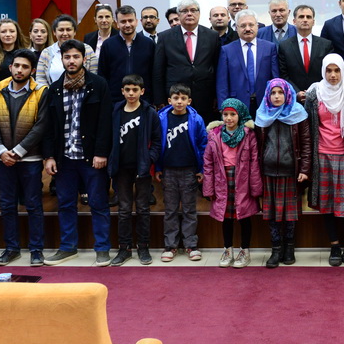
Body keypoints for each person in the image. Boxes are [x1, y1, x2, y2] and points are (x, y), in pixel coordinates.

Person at [41, 39, 113, 266]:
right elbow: (48, 126)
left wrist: (101, 152)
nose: (71, 61)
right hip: (64, 158)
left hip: (91, 157)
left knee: (98, 203)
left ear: (84, 59)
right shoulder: (54, 88)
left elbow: (105, 122)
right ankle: (67, 247)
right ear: (61, 60)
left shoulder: (98, 84)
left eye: (75, 57)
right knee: (65, 204)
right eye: (67, 57)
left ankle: (102, 248)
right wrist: (49, 156)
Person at [305, 54, 344, 266]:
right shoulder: (314, 94)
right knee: (327, 204)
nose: (332, 75)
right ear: (323, 71)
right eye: (329, 70)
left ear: (343, 71)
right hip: (321, 157)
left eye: (337, 70)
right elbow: (308, 129)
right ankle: (334, 245)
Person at [0, 49, 49, 267]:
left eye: (25, 67)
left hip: (29, 158)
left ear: (32, 70)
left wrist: (18, 151)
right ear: (10, 67)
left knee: (33, 205)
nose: (19, 70)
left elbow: (41, 125)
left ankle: (36, 250)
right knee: (7, 205)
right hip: (3, 158)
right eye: (16, 65)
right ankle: (11, 249)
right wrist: (0, 150)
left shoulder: (41, 91)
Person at [254, 79, 312, 268]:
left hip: (291, 172)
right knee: (271, 214)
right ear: (267, 95)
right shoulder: (262, 115)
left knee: (289, 214)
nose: (277, 96)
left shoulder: (298, 113)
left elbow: (306, 143)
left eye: (280, 92)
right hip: (268, 172)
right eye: (273, 93)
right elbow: (257, 147)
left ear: (287, 94)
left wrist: (304, 169)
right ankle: (276, 249)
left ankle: (289, 248)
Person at [108, 74, 162, 266]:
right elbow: (108, 137)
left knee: (143, 208)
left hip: (142, 168)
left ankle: (143, 247)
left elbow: (157, 140)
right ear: (122, 91)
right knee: (123, 209)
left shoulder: (149, 113)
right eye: (128, 90)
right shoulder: (115, 111)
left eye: (135, 90)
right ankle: (124, 248)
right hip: (121, 169)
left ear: (142, 91)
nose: (131, 93)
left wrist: (149, 159)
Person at [203, 98, 262, 268]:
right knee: (226, 217)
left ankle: (245, 251)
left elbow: (254, 161)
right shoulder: (214, 135)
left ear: (240, 115)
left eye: (232, 114)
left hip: (243, 180)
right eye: (225, 114)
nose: (228, 118)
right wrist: (208, 188)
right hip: (222, 180)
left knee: (244, 217)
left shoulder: (248, 134)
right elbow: (208, 163)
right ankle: (228, 249)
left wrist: (255, 187)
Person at [156, 83, 207, 262]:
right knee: (170, 210)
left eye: (183, 98)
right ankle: (170, 246)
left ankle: (190, 245)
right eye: (176, 98)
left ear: (189, 101)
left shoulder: (196, 119)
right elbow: (156, 144)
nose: (179, 101)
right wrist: (158, 168)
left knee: (189, 210)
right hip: (168, 171)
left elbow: (203, 145)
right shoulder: (161, 119)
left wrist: (201, 169)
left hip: (189, 171)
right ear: (169, 100)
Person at [154, 0, 221, 119]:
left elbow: (217, 67)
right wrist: (160, 99)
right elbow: (158, 70)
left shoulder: (212, 36)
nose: (189, 14)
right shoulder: (165, 37)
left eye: (193, 10)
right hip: (176, 97)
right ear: (178, 15)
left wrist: (217, 96)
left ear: (199, 13)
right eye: (184, 11)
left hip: (205, 97)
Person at [217, 9, 281, 116]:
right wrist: (223, 106)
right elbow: (222, 82)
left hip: (265, 103)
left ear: (257, 26)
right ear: (236, 28)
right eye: (243, 26)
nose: (247, 29)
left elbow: (275, 78)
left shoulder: (269, 47)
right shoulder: (227, 50)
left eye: (251, 25)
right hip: (236, 105)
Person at [98, 5, 155, 104]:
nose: (127, 25)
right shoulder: (108, 45)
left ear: (136, 21)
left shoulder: (149, 44)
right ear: (117, 23)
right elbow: (102, 74)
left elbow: (154, 73)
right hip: (115, 100)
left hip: (143, 100)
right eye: (123, 21)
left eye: (130, 20)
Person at [278, 4, 333, 102]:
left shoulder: (325, 45)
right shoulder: (284, 46)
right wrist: (296, 93)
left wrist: (315, 91)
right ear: (294, 21)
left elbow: (328, 72)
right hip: (295, 100)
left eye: (308, 17)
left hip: (320, 98)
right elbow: (284, 74)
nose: (305, 20)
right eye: (301, 17)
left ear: (313, 22)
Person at [36, 14, 98, 87]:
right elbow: (40, 79)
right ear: (54, 32)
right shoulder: (46, 53)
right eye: (61, 30)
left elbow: (94, 74)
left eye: (68, 30)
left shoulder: (87, 49)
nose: (65, 33)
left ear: (74, 32)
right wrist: (50, 92)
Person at [0, 18, 28, 86]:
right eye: (3, 32)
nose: (8, 34)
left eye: (12, 31)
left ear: (17, 33)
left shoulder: (26, 54)